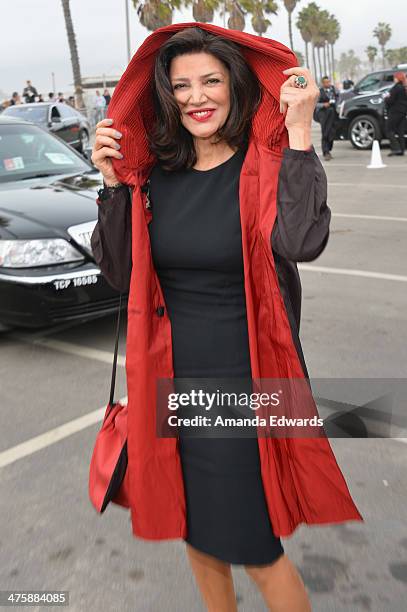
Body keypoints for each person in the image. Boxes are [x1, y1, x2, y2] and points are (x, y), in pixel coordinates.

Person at [90, 24, 362, 612]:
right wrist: (112, 186)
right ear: (166, 96)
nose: (196, 96)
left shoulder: (262, 166)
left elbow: (302, 238)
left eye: (210, 80)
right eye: (181, 85)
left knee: (257, 550)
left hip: (248, 385)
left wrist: (297, 133)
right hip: (169, 386)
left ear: (235, 88)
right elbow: (119, 272)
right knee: (198, 536)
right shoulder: (154, 179)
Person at [314, 75, 339, 161]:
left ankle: (329, 149)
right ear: (323, 83)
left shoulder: (334, 89)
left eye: (329, 82)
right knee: (325, 132)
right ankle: (326, 152)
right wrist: (323, 105)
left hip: (333, 114)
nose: (328, 84)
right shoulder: (319, 92)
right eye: (326, 82)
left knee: (332, 132)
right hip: (323, 114)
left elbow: (339, 98)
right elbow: (315, 104)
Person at [384, 71, 407, 156]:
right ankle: (401, 149)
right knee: (400, 131)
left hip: (395, 112)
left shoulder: (396, 88)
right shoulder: (404, 88)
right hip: (403, 112)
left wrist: (385, 98)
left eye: (395, 77)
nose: (394, 79)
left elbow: (390, 100)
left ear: (398, 78)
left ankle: (395, 148)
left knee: (389, 130)